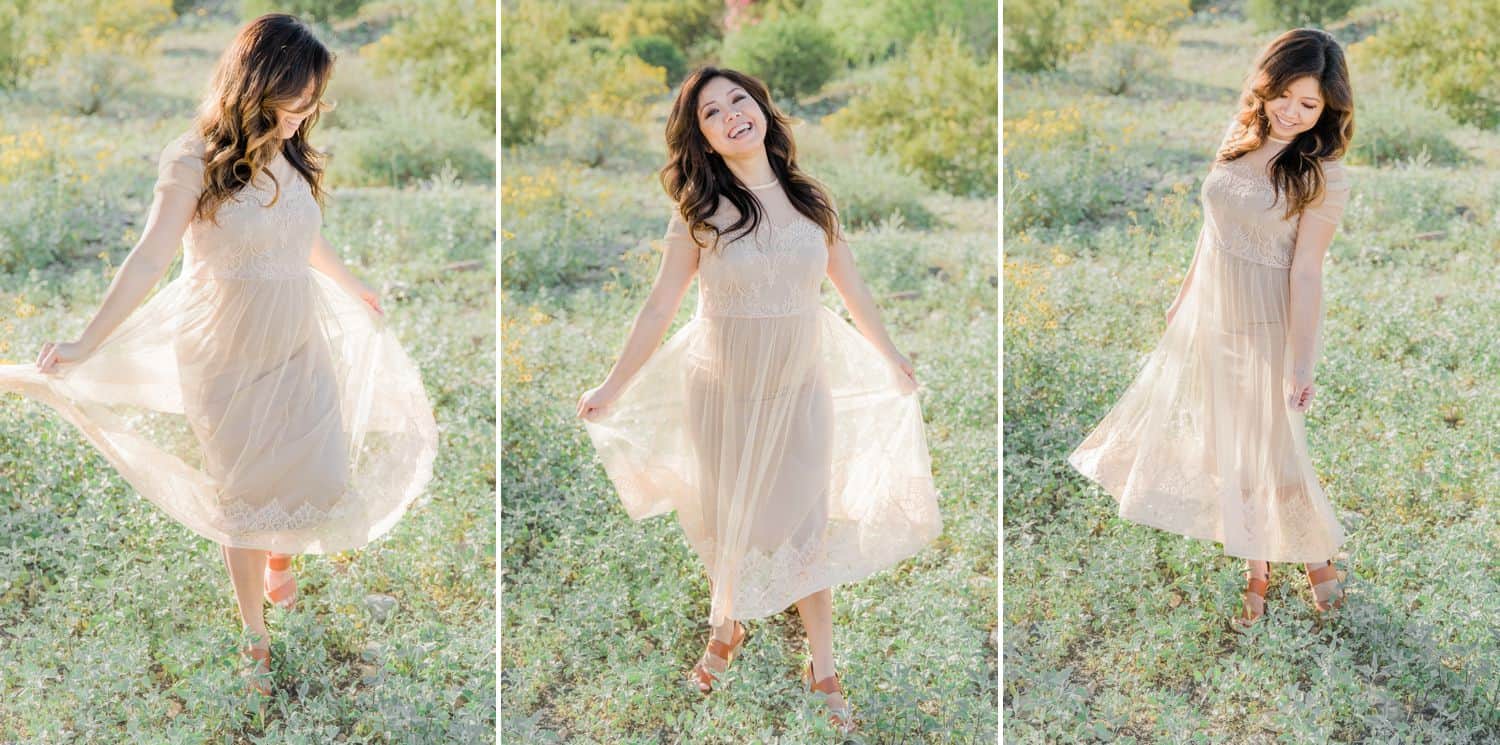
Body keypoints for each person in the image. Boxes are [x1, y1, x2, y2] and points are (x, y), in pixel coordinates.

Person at [0, 14, 438, 695]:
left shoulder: (292, 151)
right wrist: (88, 339)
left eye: (314, 102)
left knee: (317, 475)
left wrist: (351, 283)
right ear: (257, 87)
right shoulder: (191, 159)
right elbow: (149, 259)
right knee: (246, 498)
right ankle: (254, 637)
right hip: (225, 351)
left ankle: (280, 566)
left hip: (298, 335)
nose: (307, 115)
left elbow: (299, 235)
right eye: (297, 103)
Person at [576, 67, 942, 731]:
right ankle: (725, 632)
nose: (732, 115)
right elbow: (661, 305)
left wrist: (891, 353)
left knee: (806, 526)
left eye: (739, 100)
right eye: (713, 113)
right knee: (731, 521)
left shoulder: (810, 199)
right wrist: (613, 383)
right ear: (706, 140)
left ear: (762, 109)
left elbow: (851, 282)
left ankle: (823, 666)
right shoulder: (699, 212)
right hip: (722, 388)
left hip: (800, 385)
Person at [1069, 28, 1355, 628]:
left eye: (1311, 106)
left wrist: (1302, 364)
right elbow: (1212, 227)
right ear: (1267, 84)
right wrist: (1183, 298)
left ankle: (1317, 559)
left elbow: (1307, 274)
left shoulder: (1321, 174)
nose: (1294, 114)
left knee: (1277, 449)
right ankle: (1257, 566)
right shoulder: (1238, 135)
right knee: (1231, 447)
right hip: (1212, 312)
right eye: (1287, 97)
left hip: (1268, 319)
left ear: (1328, 110)